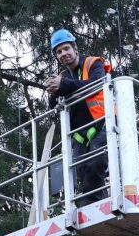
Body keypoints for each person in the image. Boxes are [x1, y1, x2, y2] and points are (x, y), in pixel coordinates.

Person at [45, 28, 112, 203]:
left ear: (75, 49)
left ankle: (91, 206)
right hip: (79, 134)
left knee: (96, 162)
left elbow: (96, 84)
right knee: (82, 169)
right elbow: (53, 106)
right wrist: (53, 93)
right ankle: (96, 203)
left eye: (66, 48)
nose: (63, 54)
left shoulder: (92, 64)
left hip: (101, 124)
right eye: (59, 52)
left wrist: (64, 85)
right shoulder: (62, 76)